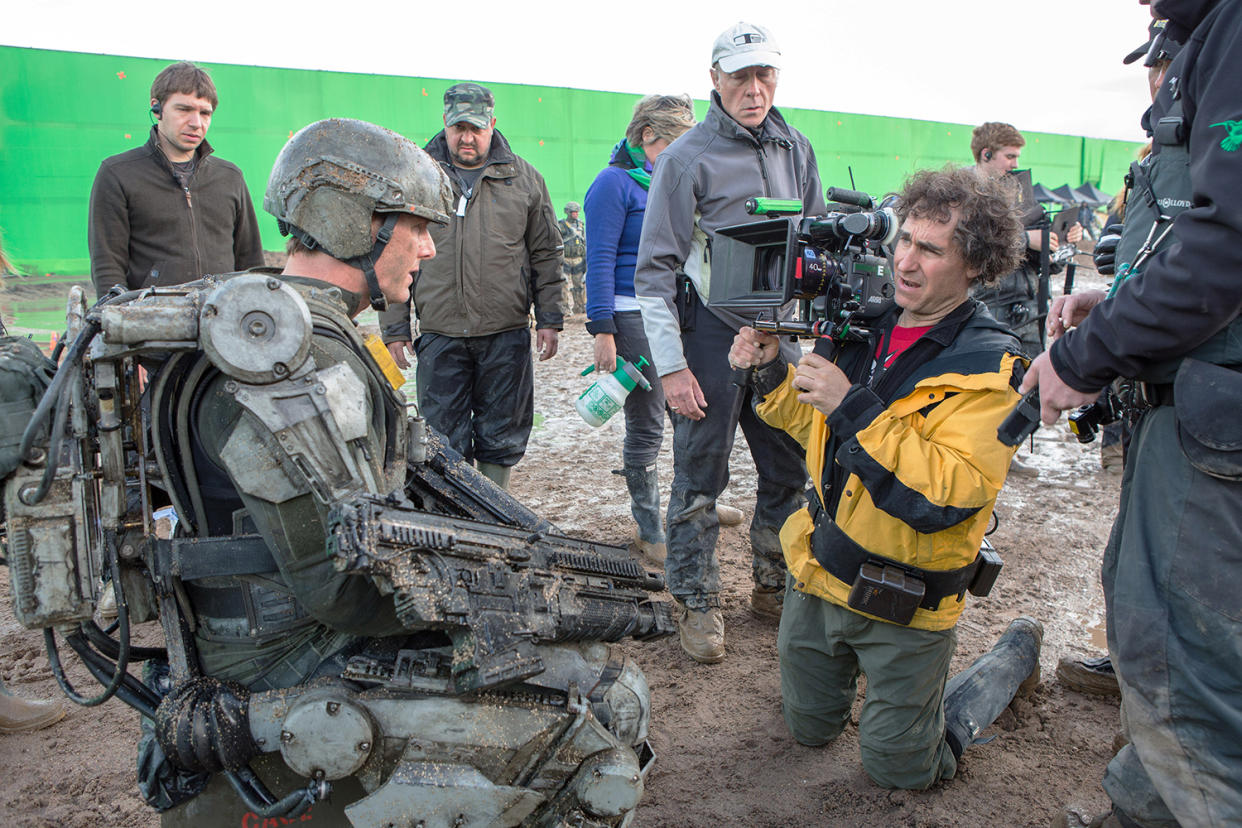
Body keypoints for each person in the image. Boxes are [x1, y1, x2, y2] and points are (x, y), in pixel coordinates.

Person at [729, 165, 1042, 790]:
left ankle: (1009, 658)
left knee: (901, 770)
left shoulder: (993, 368)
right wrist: (770, 373)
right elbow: (816, 428)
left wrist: (852, 405)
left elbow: (944, 497)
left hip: (908, 600)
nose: (905, 260)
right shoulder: (861, 323)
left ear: (975, 266)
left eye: (930, 249)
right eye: (903, 239)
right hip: (821, 574)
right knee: (809, 731)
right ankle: (869, 701)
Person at [1022, 1, 1242, 825]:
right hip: (1198, 401)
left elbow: (1226, 249)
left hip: (1215, 420)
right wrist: (1117, 304)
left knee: (1182, 659)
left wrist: (1083, 358)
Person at [634, 21, 826, 663]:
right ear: (714, 79)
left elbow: (820, 246)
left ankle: (774, 584)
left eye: (764, 74)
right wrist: (671, 369)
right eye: (740, 75)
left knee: (790, 467)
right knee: (698, 475)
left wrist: (815, 341)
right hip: (710, 334)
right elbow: (654, 272)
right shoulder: (687, 157)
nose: (754, 88)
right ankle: (696, 601)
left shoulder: (797, 149)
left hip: (781, 334)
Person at [1055, 16, 1180, 702]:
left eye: (1167, 66)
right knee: (1131, 555)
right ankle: (1130, 665)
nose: (1157, 81)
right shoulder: (1154, 154)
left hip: (1197, 394)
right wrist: (1110, 291)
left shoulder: (1212, 147)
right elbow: (1130, 244)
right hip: (1149, 391)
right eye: (1152, 70)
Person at [380, 82, 564, 490]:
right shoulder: (417, 178)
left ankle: (494, 506)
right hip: (441, 334)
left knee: (502, 434)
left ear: (492, 124)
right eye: (458, 127)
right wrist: (395, 328)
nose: (467, 137)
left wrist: (550, 317)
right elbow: (391, 253)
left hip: (505, 334)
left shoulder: (524, 180)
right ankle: (458, 512)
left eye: (476, 128)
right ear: (444, 122)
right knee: (442, 437)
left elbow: (546, 254)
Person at [583, 94, 696, 565]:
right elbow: (600, 258)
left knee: (689, 410)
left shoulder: (667, 180)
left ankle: (690, 507)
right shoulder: (613, 184)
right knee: (648, 420)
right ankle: (650, 526)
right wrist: (603, 328)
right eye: (675, 142)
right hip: (632, 316)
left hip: (677, 312)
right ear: (648, 137)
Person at [87, 61, 264, 298]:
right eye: (184, 109)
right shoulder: (117, 173)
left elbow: (250, 260)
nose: (196, 123)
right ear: (157, 108)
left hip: (224, 319)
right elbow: (108, 264)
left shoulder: (230, 177)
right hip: (152, 320)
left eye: (205, 113)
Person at [969, 121, 1082, 357]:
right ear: (986, 154)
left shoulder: (1022, 196)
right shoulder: (961, 193)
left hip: (1029, 313)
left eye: (1017, 156)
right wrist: (1024, 239)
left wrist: (1061, 242)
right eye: (1009, 156)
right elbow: (967, 244)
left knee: (1029, 388)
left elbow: (1049, 266)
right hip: (984, 310)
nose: (1016, 164)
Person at [559, 201, 587, 315]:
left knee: (579, 284)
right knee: (564, 284)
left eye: (576, 212)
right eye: (573, 212)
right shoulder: (561, 225)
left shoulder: (580, 225)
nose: (575, 214)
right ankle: (565, 307)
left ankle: (579, 306)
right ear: (568, 212)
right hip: (565, 259)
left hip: (578, 259)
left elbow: (583, 241)